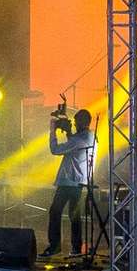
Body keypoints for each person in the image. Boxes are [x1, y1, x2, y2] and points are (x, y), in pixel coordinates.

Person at [45, 104, 94, 256]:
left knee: (55, 211)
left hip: (69, 181)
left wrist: (52, 130)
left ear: (81, 122)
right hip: (79, 181)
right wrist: (68, 132)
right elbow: (75, 144)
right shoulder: (90, 136)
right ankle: (76, 247)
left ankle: (54, 246)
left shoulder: (78, 140)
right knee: (74, 215)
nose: (74, 124)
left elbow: (55, 150)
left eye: (75, 121)